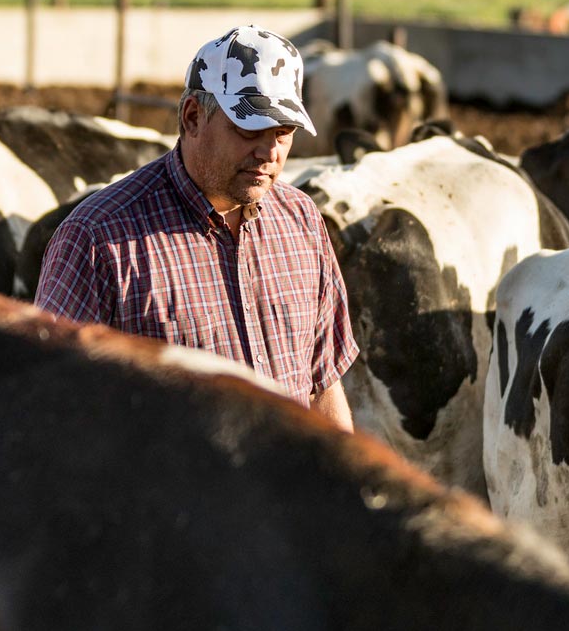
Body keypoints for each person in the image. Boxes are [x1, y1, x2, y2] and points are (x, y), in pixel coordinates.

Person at [35, 25, 356, 429]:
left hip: (288, 490)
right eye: (249, 128)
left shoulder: (302, 221)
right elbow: (50, 410)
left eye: (284, 132)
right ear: (192, 117)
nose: (269, 152)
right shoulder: (98, 239)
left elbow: (323, 384)